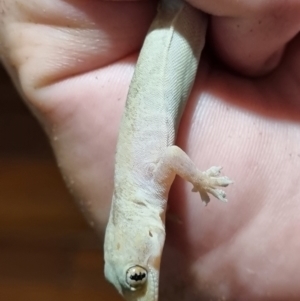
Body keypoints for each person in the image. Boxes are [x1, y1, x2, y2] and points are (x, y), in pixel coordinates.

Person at [1, 0, 300, 299]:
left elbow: (171, 156)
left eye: (137, 276)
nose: (144, 289)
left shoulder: (143, 193)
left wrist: (199, 180)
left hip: (177, 17)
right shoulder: (139, 202)